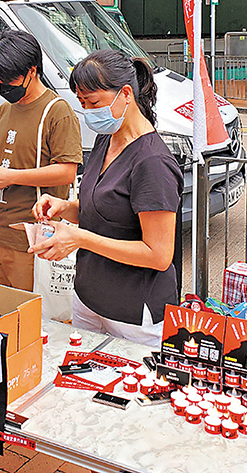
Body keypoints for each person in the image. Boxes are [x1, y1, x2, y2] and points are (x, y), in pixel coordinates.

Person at [31, 49, 183, 347]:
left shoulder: (152, 162)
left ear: (126, 93)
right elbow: (104, 211)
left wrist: (79, 238)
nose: (88, 111)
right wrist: (66, 208)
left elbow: (158, 254)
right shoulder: (106, 140)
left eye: (94, 102)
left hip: (133, 313)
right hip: (88, 298)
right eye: (82, 103)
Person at [0, 31, 82, 291]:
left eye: (8, 78)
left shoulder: (57, 111)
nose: (2, 85)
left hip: (31, 236)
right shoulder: (4, 110)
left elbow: (66, 172)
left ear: (32, 71)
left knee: (31, 318)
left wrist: (10, 177)